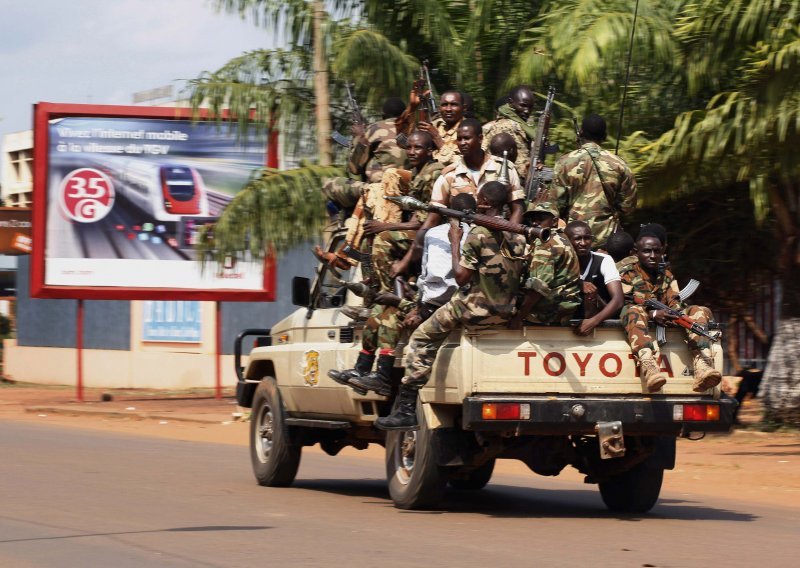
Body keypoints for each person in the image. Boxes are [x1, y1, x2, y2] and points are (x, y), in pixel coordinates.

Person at [375, 182, 526, 430]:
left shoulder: (477, 234)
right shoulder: (518, 235)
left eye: (479, 198)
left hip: (474, 309)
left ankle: (405, 409)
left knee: (422, 338)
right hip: (505, 310)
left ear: (485, 203)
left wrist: (455, 240)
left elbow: (461, 277)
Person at [345, 193, 476, 398]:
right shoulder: (481, 235)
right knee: (379, 312)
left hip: (442, 303)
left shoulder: (436, 235)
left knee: (391, 317)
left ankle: (390, 386)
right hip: (454, 301)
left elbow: (434, 281)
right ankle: (364, 370)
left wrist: (410, 304)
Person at [394, 118, 526, 278]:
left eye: (467, 138)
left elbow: (517, 207)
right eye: (459, 139)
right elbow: (433, 216)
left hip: (498, 236)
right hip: (461, 239)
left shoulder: (504, 168)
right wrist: (407, 260)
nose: (462, 142)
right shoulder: (449, 174)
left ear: (480, 138)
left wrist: (509, 236)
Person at [618, 229, 722, 393]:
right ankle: (649, 367)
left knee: (696, 310)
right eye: (646, 251)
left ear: (662, 252)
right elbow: (622, 301)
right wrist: (653, 314)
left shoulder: (666, 275)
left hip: (663, 319)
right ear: (636, 252)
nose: (652, 255)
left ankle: (702, 363)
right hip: (636, 318)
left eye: (656, 251)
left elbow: (674, 301)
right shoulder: (627, 274)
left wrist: (674, 314)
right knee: (633, 309)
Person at [543, 114, 637, 249]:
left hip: (573, 238)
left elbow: (554, 205)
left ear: (580, 133)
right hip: (607, 241)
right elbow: (628, 207)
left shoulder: (565, 162)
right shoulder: (619, 165)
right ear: (604, 136)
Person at [322, 97, 408, 209]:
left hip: (379, 189)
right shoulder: (413, 130)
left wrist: (358, 136)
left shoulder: (374, 128)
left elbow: (354, 168)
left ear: (383, 115)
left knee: (328, 184)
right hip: (406, 188)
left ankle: (336, 223)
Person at [508, 202, 582, 329]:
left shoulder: (546, 242)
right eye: (532, 219)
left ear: (554, 222)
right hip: (562, 305)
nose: (535, 223)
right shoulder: (560, 237)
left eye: (541, 219)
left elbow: (538, 287)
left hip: (550, 311)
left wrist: (519, 318)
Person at [564, 220, 624, 335]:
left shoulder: (603, 260)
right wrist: (579, 284)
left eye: (587, 238)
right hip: (566, 321)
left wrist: (593, 322)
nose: (583, 243)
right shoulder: (561, 261)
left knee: (591, 291)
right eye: (577, 238)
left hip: (598, 319)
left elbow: (618, 300)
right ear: (567, 241)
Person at [482, 85, 536, 178]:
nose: (527, 111)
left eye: (530, 107)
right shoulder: (509, 126)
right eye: (523, 105)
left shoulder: (520, 126)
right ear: (510, 103)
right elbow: (521, 168)